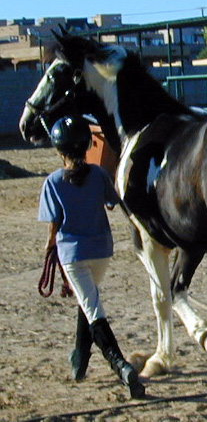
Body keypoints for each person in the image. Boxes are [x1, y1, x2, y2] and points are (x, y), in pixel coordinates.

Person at [38, 116, 145, 399]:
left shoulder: (52, 182)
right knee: (88, 301)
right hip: (101, 251)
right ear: (87, 146)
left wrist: (49, 248)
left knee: (93, 309)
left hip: (73, 255)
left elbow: (54, 225)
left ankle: (120, 365)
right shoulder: (98, 174)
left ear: (59, 150)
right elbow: (112, 202)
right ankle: (80, 359)